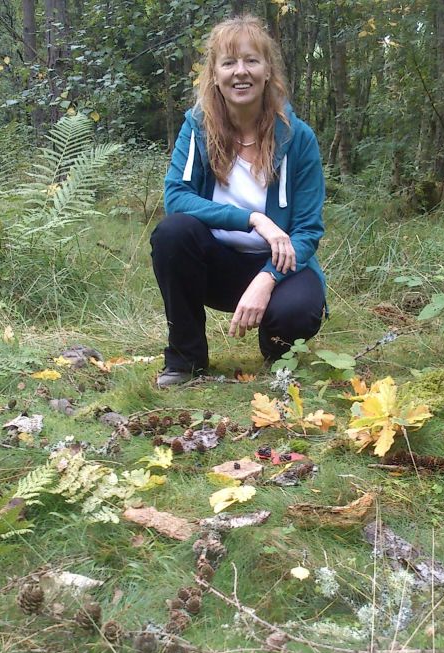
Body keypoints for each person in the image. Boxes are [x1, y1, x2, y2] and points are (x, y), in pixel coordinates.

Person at [150, 14, 327, 387]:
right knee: (172, 233)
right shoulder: (197, 128)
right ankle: (185, 361)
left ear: (267, 72)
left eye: (251, 60)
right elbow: (176, 198)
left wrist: (268, 278)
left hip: (281, 269)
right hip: (215, 266)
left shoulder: (299, 138)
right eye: (229, 62)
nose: (240, 72)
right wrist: (253, 219)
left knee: (297, 312)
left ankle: (277, 352)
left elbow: (308, 231)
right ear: (214, 74)